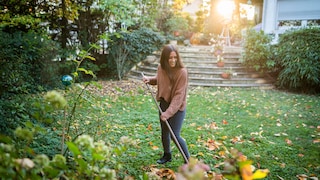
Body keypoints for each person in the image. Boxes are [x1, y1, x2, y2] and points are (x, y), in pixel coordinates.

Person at [142, 44, 190, 164]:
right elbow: (160, 79)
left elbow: (179, 96)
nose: (173, 60)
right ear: (164, 59)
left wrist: (168, 113)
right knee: (165, 132)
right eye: (170, 58)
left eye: (175, 57)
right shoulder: (161, 68)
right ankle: (167, 155)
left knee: (174, 134)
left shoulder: (182, 72)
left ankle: (188, 161)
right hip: (164, 104)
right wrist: (150, 79)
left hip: (177, 107)